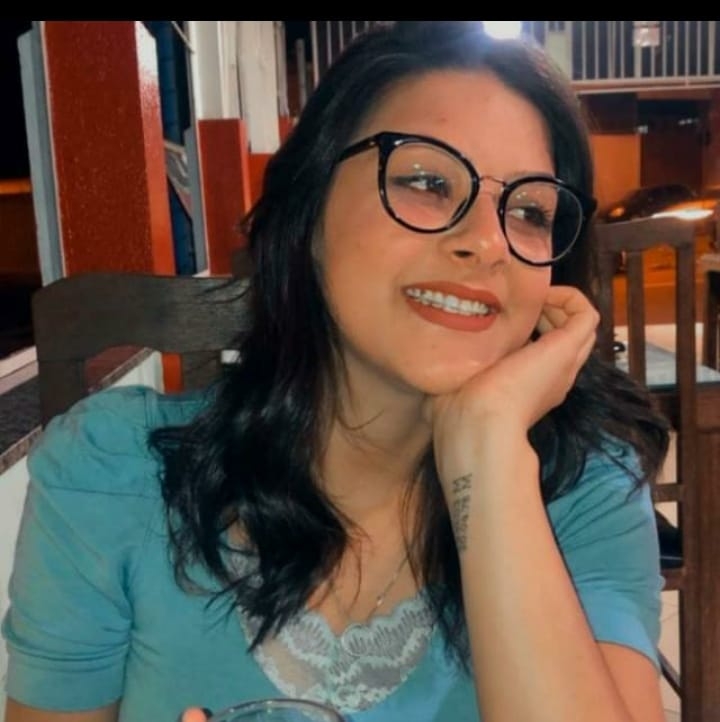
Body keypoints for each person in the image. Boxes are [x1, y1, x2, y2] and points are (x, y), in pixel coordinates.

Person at [3, 20, 671, 722]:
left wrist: (487, 449)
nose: (488, 242)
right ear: (310, 211)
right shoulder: (115, 469)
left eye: (531, 211)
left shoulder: (584, 493)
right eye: (426, 181)